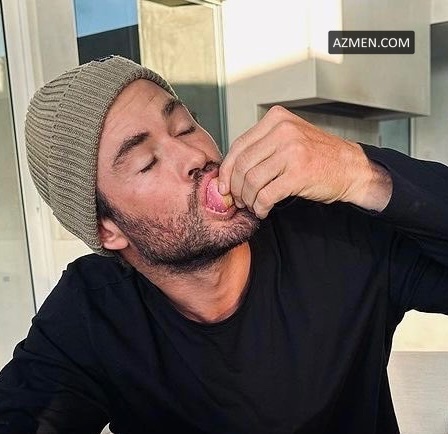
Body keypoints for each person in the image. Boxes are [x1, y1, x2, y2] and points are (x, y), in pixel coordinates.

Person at [0, 55, 447, 434]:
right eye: (147, 162)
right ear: (108, 230)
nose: (196, 156)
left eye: (184, 127)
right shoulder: (92, 312)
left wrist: (359, 174)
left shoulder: (334, 232)